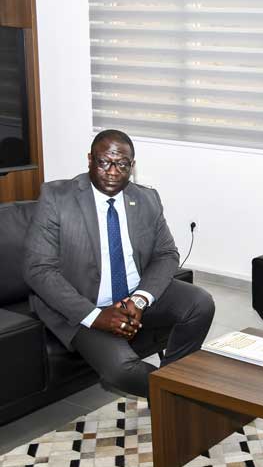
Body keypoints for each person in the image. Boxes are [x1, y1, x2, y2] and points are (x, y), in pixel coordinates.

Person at [23, 130, 215, 399]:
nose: (113, 172)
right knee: (121, 369)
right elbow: (37, 269)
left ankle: (174, 383)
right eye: (104, 162)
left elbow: (166, 253)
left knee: (200, 303)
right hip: (83, 304)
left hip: (132, 296)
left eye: (122, 164)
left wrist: (139, 299)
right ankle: (176, 396)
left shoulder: (146, 198)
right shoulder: (57, 197)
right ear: (90, 159)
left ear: (132, 166)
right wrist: (95, 316)